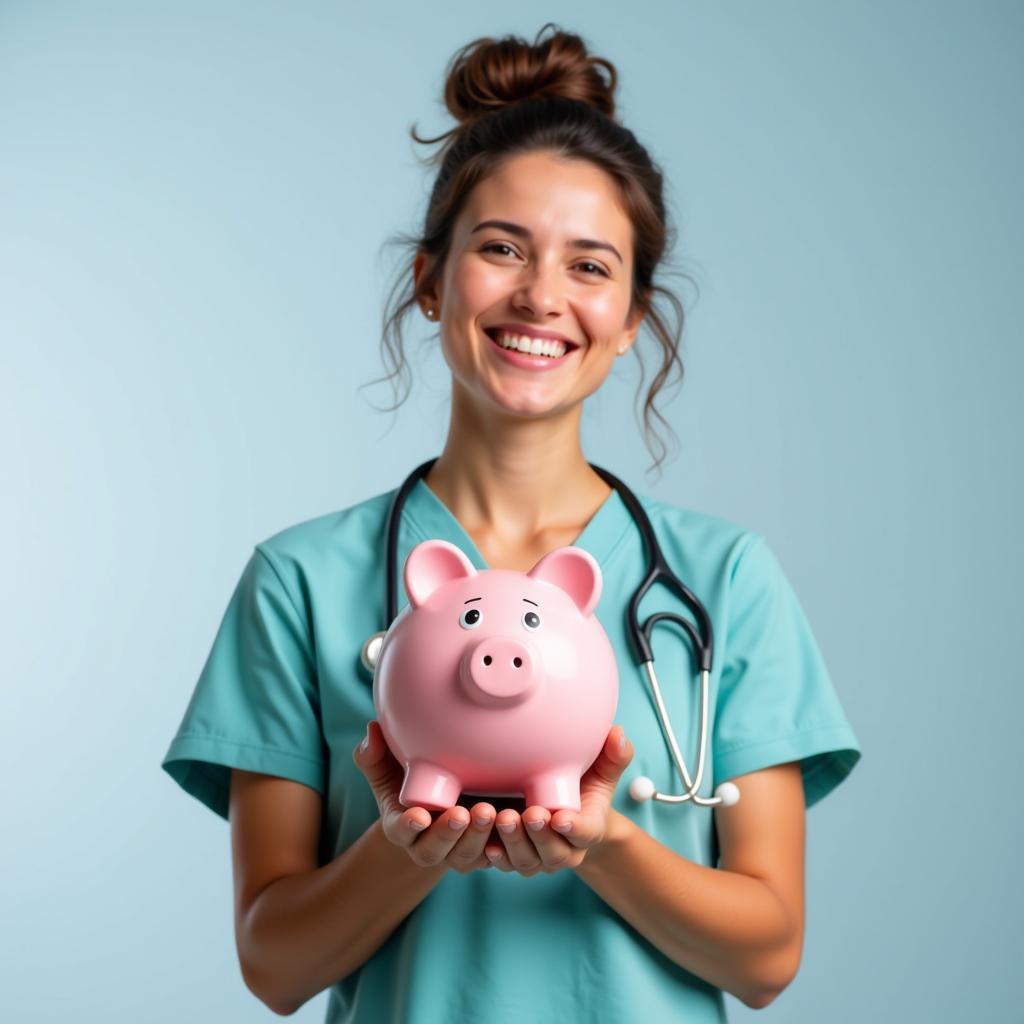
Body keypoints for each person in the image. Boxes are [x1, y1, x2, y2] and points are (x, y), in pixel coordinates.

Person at [161, 23, 861, 1023]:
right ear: (429, 279)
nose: (541, 297)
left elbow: (766, 956)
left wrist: (608, 842)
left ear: (630, 319)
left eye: (589, 267)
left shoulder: (723, 580)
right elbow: (274, 965)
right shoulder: (301, 580)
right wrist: (400, 851)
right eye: (500, 249)